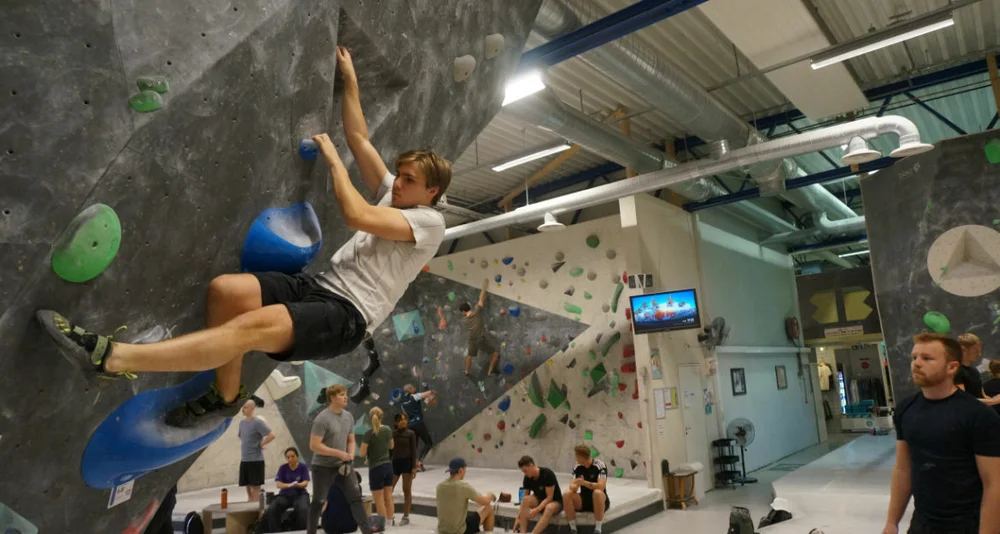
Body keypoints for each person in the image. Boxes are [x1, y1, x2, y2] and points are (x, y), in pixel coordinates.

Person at [35, 45, 451, 429]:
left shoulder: (429, 223)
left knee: (248, 328)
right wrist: (351, 79)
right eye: (400, 175)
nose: (398, 184)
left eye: (409, 181)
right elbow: (359, 138)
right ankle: (226, 395)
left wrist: (332, 161)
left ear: (431, 192)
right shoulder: (393, 195)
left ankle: (111, 357)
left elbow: (356, 214)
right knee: (226, 293)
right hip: (320, 288)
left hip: (347, 316)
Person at [882, 332, 1000, 534]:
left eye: (927, 358)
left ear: (952, 367)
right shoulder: (906, 409)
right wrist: (892, 522)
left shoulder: (978, 415)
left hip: (967, 525)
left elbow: (994, 484)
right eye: (915, 357)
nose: (917, 363)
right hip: (922, 524)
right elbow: (903, 469)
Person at [308, 384, 371, 534]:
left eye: (345, 394)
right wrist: (338, 453)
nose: (345, 397)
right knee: (318, 502)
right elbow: (314, 445)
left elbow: (351, 440)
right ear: (332, 398)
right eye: (342, 395)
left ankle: (367, 532)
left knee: (356, 499)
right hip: (322, 467)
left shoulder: (348, 416)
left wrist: (349, 456)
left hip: (343, 465)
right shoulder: (322, 419)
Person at [436, 458, 496, 534]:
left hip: (442, 530)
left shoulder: (440, 486)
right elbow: (486, 502)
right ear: (461, 470)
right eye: (465, 470)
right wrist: (490, 494)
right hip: (460, 531)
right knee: (488, 508)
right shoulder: (464, 486)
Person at [563, 445, 609, 534]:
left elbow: (601, 486)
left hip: (599, 500)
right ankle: (573, 529)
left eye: (576, 456)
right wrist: (575, 485)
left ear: (581, 457)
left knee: (597, 493)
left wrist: (584, 483)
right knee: (567, 494)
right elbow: (572, 485)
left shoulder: (600, 466)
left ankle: (598, 529)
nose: (576, 458)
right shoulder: (577, 467)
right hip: (584, 499)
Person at [263, 447, 311, 532]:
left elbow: (305, 483)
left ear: (297, 456)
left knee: (303, 509)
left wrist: (297, 485)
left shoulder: (303, 467)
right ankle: (276, 531)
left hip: (300, 495)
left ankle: (301, 530)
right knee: (272, 508)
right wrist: (288, 485)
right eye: (288, 457)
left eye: (292, 456)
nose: (290, 459)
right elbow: (278, 484)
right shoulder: (283, 468)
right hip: (285, 496)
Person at [359, 407, 394, 522]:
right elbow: (391, 446)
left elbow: (362, 453)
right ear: (381, 416)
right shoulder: (388, 430)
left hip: (376, 468)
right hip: (388, 466)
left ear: (370, 418)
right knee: (388, 496)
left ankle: (382, 523)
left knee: (378, 498)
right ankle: (390, 520)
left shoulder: (368, 433)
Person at [460, 279, 501, 376]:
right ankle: (490, 371)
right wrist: (484, 285)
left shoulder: (464, 320)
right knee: (495, 354)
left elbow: (467, 315)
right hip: (481, 338)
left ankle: (466, 371)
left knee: (469, 356)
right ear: (469, 307)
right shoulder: (477, 311)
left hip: (472, 339)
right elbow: (481, 298)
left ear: (463, 312)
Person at [513, 456, 562, 534]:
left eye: (525, 471)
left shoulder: (547, 474)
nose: (525, 473)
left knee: (549, 508)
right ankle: (523, 532)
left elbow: (549, 497)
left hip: (554, 501)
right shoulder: (527, 477)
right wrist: (518, 517)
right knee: (526, 499)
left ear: (532, 466)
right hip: (539, 499)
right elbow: (525, 498)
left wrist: (537, 509)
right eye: (523, 472)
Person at [238, 400, 275, 502]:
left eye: (245, 407)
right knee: (248, 490)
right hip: (245, 460)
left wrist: (262, 443)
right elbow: (243, 438)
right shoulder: (242, 423)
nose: (243, 409)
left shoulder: (257, 422)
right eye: (243, 407)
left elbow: (271, 435)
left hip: (256, 460)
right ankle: (250, 510)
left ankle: (257, 514)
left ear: (252, 409)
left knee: (255, 491)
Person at [390, 412, 418, 526]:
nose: (403, 421)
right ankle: (389, 515)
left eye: (405, 419)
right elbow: (389, 451)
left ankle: (406, 516)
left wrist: (414, 467)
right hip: (395, 463)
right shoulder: (392, 434)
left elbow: (414, 451)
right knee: (389, 489)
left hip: (407, 463)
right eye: (401, 420)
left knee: (406, 490)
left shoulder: (411, 434)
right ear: (396, 422)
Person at [400, 384, 437, 469]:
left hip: (410, 425)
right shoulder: (415, 396)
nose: (415, 388)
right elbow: (428, 393)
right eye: (413, 388)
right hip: (419, 423)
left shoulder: (402, 403)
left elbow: (405, 415)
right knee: (428, 443)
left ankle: (413, 465)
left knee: (413, 446)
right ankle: (420, 462)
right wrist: (432, 392)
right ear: (410, 390)